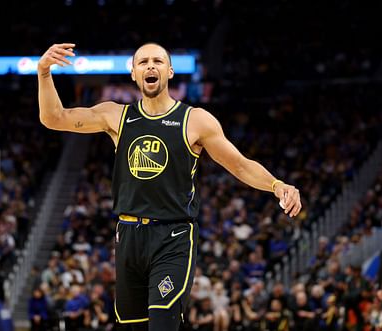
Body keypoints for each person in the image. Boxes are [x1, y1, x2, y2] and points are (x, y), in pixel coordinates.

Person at [38, 42, 302, 331]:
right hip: (128, 236)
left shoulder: (195, 120)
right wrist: (44, 73)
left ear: (170, 71)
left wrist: (277, 185)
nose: (151, 66)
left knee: (163, 323)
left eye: (158, 61)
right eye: (143, 62)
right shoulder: (116, 115)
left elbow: (239, 164)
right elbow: (54, 118)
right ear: (134, 74)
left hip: (172, 236)